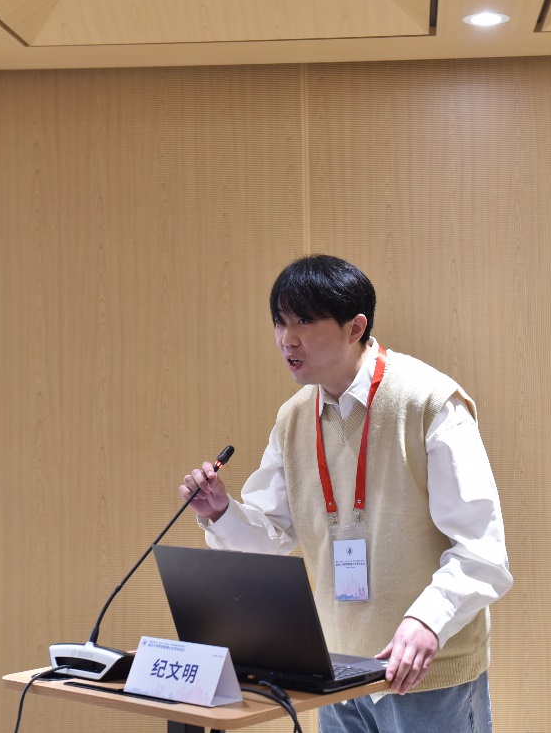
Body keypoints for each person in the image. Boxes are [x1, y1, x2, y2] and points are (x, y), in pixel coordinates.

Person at [179, 254, 512, 733]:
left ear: (355, 327)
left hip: (425, 673)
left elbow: (483, 551)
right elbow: (272, 536)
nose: (287, 338)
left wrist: (427, 621)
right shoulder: (293, 418)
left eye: (304, 321)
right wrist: (221, 512)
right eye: (279, 322)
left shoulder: (429, 402)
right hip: (336, 672)